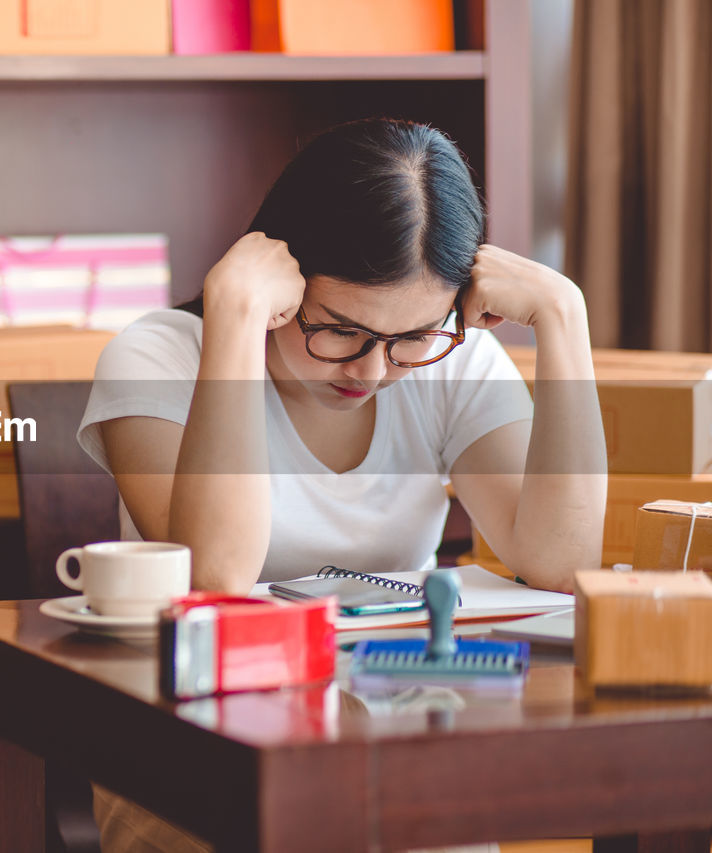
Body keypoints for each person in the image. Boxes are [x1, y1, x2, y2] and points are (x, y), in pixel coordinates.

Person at [75, 118, 607, 852]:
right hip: (198, 751)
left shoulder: (448, 362)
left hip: (396, 742)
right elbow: (216, 575)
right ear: (283, 280)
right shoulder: (157, 357)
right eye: (338, 330)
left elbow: (558, 559)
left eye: (412, 336)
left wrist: (563, 316)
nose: (372, 370)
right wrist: (233, 316)